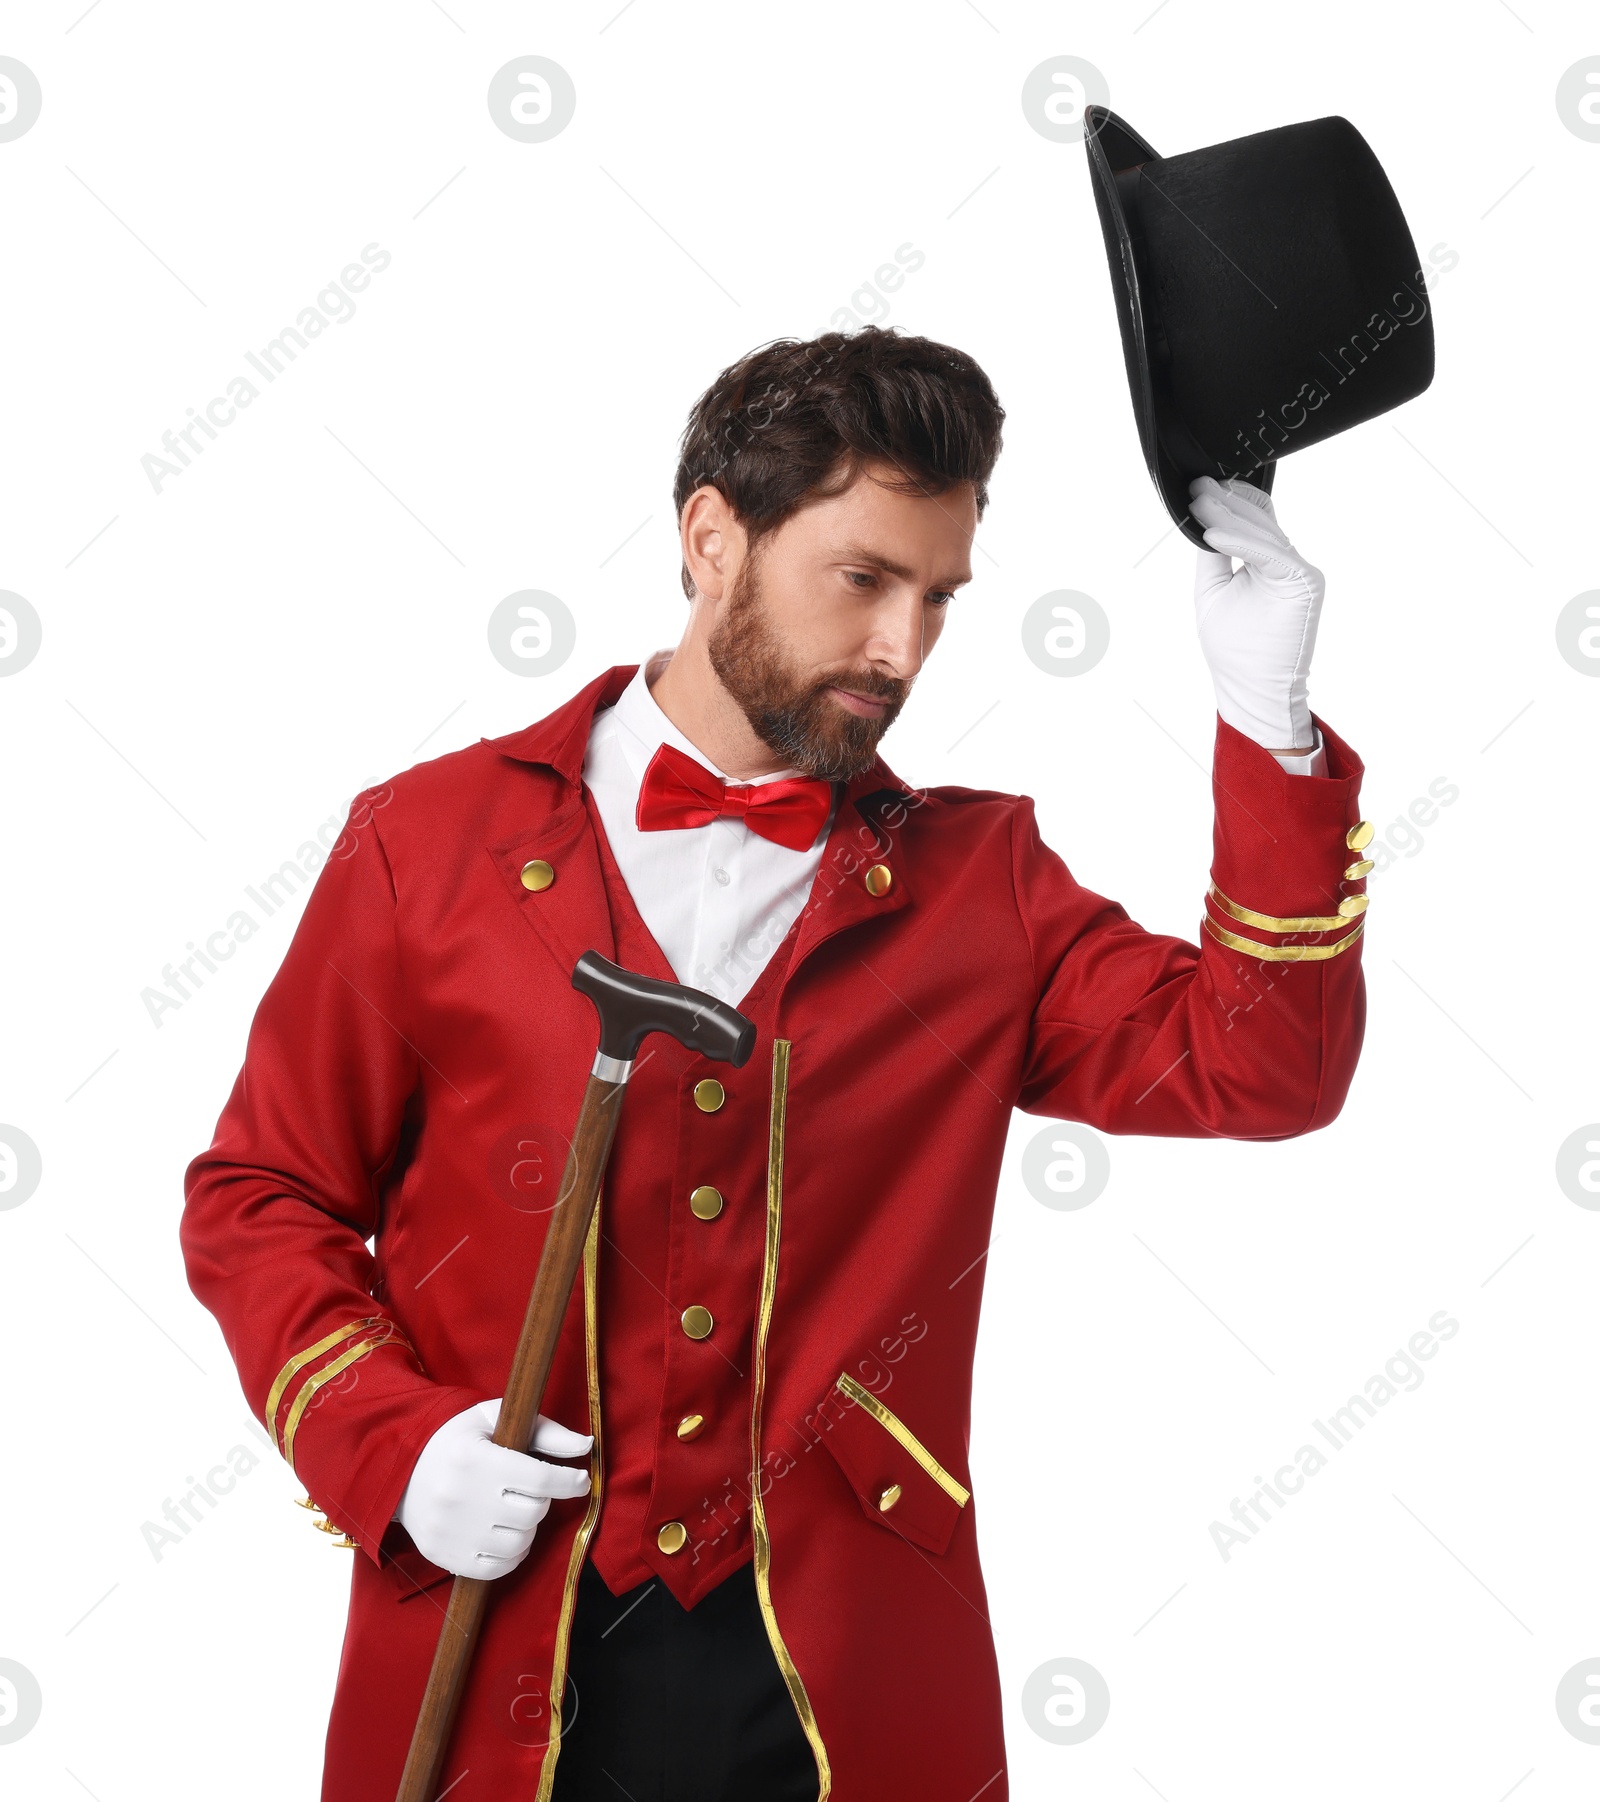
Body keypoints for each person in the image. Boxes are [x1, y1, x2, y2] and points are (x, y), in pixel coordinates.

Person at [181, 325, 1370, 1802]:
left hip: (851, 1671)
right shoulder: (427, 849)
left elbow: (1264, 1071)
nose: (903, 651)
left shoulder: (977, 881)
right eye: (863, 579)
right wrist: (395, 1444)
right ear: (712, 540)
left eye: (938, 598)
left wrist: (1268, 721)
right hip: (500, 1644)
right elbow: (261, 1192)